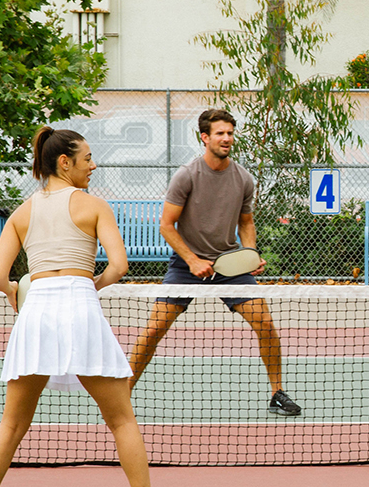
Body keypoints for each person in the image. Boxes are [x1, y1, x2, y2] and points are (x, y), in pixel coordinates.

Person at [0, 127, 163, 487]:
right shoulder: (93, 206)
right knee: (121, 418)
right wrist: (91, 284)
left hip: (35, 313)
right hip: (79, 305)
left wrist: (20, 293)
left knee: (11, 424)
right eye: (87, 158)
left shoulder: (21, 213)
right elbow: (119, 266)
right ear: (64, 162)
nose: (94, 165)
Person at [126, 108, 299, 416]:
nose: (227, 138)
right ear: (205, 137)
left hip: (229, 265)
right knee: (153, 330)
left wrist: (250, 255)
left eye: (230, 133)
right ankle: (121, 396)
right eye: (220, 133)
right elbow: (167, 225)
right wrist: (191, 260)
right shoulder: (187, 175)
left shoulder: (243, 178)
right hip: (185, 266)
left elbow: (246, 222)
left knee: (266, 324)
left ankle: (277, 393)